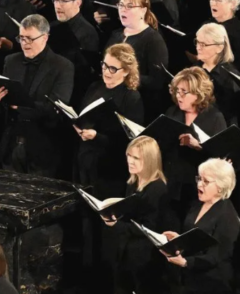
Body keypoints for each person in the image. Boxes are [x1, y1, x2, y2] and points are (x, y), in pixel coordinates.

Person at [0, 14, 74, 177]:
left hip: (42, 148)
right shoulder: (11, 61)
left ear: (45, 37)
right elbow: (2, 108)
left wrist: (19, 106)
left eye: (30, 39)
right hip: (10, 146)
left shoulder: (63, 66)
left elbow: (55, 108)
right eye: (21, 38)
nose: (24, 43)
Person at [102, 136, 170, 294]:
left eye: (136, 158)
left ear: (150, 160)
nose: (130, 161)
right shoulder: (133, 182)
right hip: (127, 250)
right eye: (128, 156)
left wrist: (117, 225)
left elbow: (149, 228)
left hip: (143, 257)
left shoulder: (157, 189)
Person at [162, 158, 239, 294]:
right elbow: (198, 238)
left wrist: (186, 262)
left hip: (213, 284)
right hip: (190, 280)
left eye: (206, 181)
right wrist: (180, 239)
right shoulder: (198, 203)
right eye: (199, 178)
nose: (199, 185)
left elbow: (218, 256)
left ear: (221, 186)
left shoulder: (227, 216)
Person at [75, 43, 143, 195]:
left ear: (125, 71)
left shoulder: (131, 97)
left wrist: (96, 136)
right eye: (104, 65)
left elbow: (131, 139)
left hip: (110, 167)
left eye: (113, 68)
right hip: (86, 158)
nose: (106, 71)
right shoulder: (94, 87)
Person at [165, 67, 227, 219]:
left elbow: (222, 157)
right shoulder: (172, 112)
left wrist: (198, 146)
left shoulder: (214, 118)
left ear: (198, 94)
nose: (179, 96)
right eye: (177, 91)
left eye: (184, 92)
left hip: (197, 189)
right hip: (170, 185)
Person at [107, 0, 168, 122]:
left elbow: (157, 81)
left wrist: (126, 76)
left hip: (138, 104)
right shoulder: (115, 34)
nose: (123, 9)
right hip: (113, 96)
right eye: (121, 5)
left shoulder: (153, 39)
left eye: (130, 6)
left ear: (143, 11)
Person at [194, 23, 239, 126]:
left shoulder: (230, 77)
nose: (198, 47)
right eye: (197, 42)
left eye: (204, 44)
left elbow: (230, 111)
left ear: (219, 47)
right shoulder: (195, 67)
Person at [208, 0, 240, 71]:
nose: (213, 3)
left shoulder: (237, 32)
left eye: (218, 0)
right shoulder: (207, 24)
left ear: (232, 4)